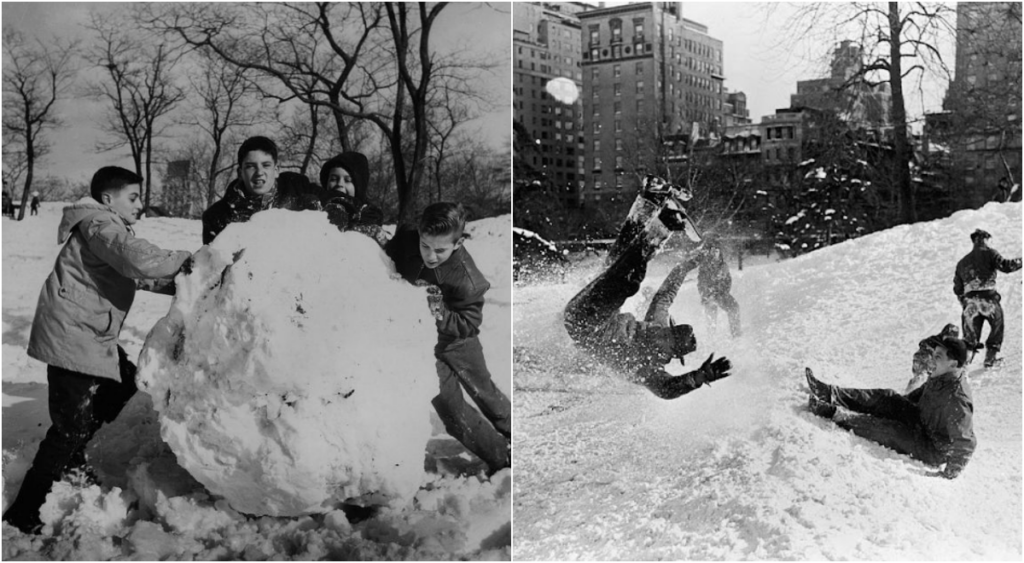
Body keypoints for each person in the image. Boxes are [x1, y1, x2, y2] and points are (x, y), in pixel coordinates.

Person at [2, 167, 192, 534]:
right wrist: (189, 260)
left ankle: (73, 458)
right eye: (133, 197)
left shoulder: (104, 229)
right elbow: (134, 257)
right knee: (68, 428)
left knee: (122, 384)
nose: (141, 205)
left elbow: (136, 273)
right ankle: (25, 510)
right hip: (73, 336)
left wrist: (186, 283)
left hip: (89, 334)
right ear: (109, 198)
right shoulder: (101, 225)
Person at [564, 175, 733, 400]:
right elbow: (666, 294)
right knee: (616, 265)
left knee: (626, 283)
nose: (661, 330)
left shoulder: (647, 365)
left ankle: (661, 228)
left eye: (668, 336)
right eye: (668, 329)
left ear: (671, 351)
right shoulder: (659, 326)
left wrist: (697, 378)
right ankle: (647, 201)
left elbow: (666, 388)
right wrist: (689, 263)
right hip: (602, 310)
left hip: (583, 326)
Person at [384, 202, 511, 474]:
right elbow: (384, 253)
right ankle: (500, 456)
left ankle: (518, 436)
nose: (430, 255)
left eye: (440, 250)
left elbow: (469, 322)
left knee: (485, 394)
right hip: (424, 348)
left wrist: (441, 313)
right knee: (452, 414)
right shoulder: (407, 244)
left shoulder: (468, 278)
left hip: (460, 344)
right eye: (425, 245)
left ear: (458, 243)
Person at [805, 335, 976, 479]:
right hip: (920, 419)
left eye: (938, 356)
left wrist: (949, 473)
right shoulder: (942, 375)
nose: (932, 359)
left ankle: (835, 414)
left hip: (932, 447)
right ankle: (830, 393)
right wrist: (895, 406)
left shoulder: (957, 398)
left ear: (953, 364)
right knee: (887, 397)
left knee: (891, 431)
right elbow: (921, 394)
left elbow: (966, 443)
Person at [201, 136, 322, 245]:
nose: (259, 173)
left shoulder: (297, 192)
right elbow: (212, 264)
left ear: (276, 170)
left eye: (266, 165)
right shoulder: (217, 216)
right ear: (240, 173)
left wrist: (337, 206)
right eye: (251, 166)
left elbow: (334, 197)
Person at [953, 228, 1022, 367]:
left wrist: (965, 302)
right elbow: (1006, 266)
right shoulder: (990, 253)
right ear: (984, 239)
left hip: (970, 302)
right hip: (989, 299)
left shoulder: (962, 263)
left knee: (969, 338)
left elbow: (957, 288)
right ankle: (990, 358)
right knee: (997, 326)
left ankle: (962, 367)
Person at [318, 152, 386, 244]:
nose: (339, 184)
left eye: (348, 180)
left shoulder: (367, 213)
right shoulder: (318, 201)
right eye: (333, 179)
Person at [697, 232, 741, 338]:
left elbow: (728, 280)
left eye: (717, 250)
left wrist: (724, 292)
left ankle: (736, 334)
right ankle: (711, 339)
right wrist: (707, 294)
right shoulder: (705, 265)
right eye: (713, 250)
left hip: (720, 294)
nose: (715, 252)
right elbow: (701, 283)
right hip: (709, 295)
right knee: (711, 319)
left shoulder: (723, 265)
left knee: (734, 307)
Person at [905, 323, 959, 394]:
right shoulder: (941, 343)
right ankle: (911, 394)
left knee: (920, 377)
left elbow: (923, 343)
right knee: (923, 378)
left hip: (920, 358)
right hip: (924, 358)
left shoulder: (937, 340)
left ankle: (909, 393)